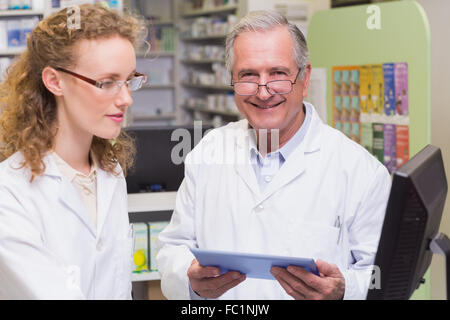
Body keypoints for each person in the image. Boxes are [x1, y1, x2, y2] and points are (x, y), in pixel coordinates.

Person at [156, 10, 391, 300]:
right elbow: (172, 250)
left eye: (278, 74)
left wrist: (345, 291)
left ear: (304, 80)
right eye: (248, 75)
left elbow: (384, 278)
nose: (263, 92)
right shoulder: (209, 152)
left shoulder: (359, 171)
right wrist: (189, 279)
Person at [0, 4, 147, 299]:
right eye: (106, 82)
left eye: (129, 80)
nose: (126, 98)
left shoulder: (109, 172)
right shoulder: (10, 191)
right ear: (55, 81)